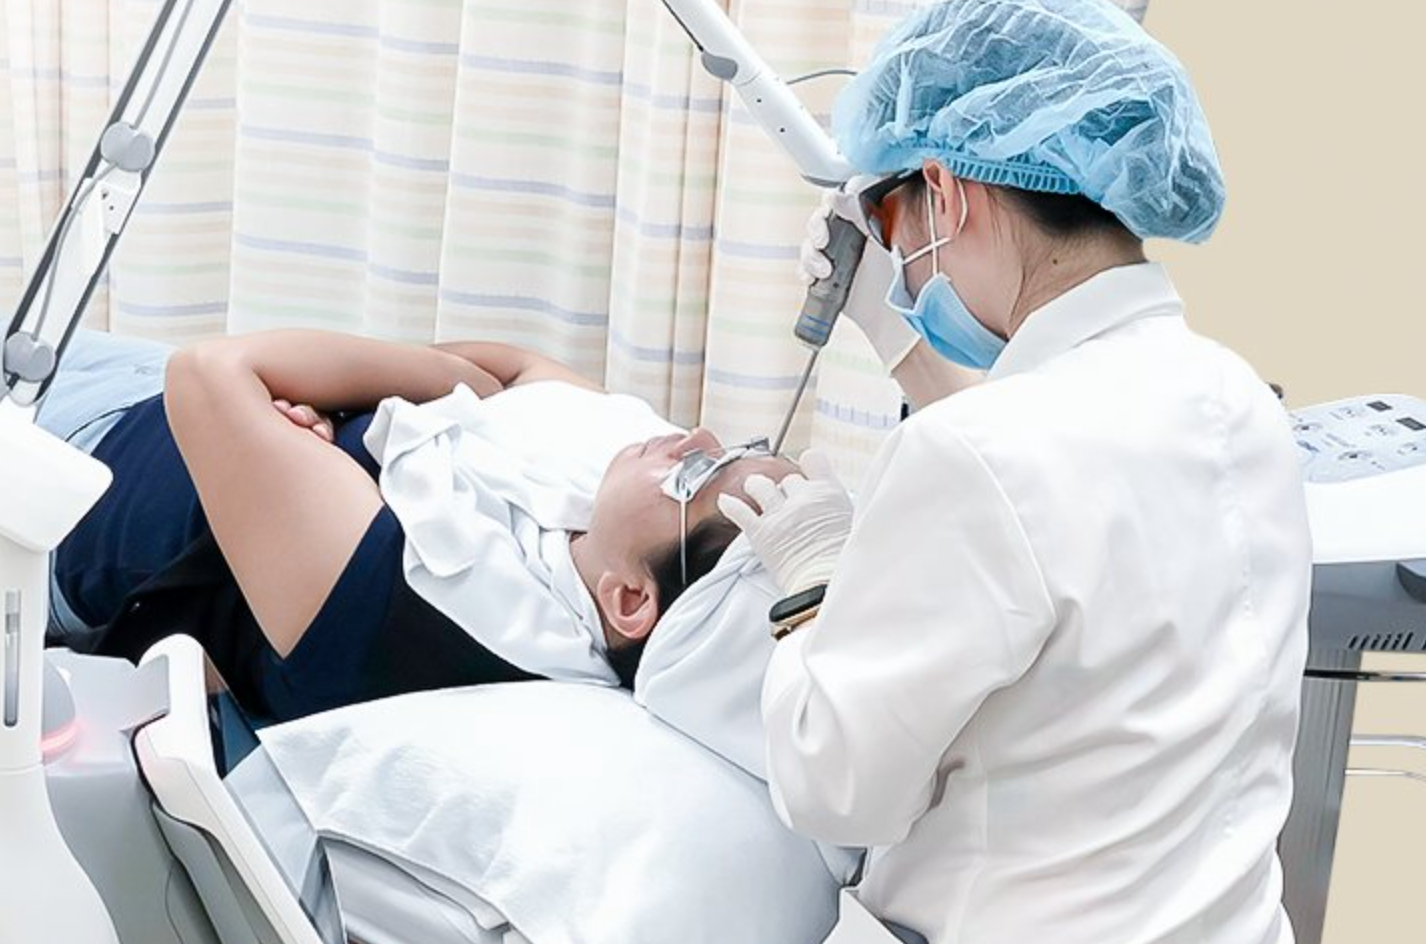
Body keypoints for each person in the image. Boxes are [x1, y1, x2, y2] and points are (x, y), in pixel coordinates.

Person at [718, 2, 1310, 943]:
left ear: (946, 192)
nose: (900, 268)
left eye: (890, 220)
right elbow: (1048, 504)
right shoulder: (1236, 397)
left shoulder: (979, 455)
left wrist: (813, 588)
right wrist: (892, 334)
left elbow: (836, 789)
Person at [40, 329, 792, 722]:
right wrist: (364, 400)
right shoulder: (613, 490)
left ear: (631, 600)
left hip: (66, 472)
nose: (693, 437)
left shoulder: (426, 613)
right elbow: (515, 365)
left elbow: (212, 373)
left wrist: (438, 394)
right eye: (735, 446)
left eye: (698, 475)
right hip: (137, 388)